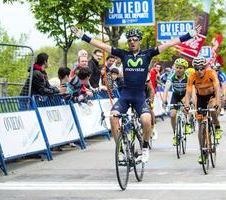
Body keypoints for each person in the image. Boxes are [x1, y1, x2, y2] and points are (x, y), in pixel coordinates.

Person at [71, 25, 200, 163]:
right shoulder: (123, 54)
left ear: (139, 41)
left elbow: (168, 44)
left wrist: (189, 35)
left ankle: (144, 148)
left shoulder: (147, 54)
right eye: (130, 40)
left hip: (139, 97)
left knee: (146, 120)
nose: (132, 42)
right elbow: (102, 45)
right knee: (113, 118)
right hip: (125, 96)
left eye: (135, 39)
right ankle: (120, 150)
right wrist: (82, 35)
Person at [184, 57, 222, 164]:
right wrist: (186, 105)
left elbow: (218, 89)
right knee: (200, 126)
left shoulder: (211, 73)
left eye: (201, 68)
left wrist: (218, 103)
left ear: (205, 67)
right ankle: (203, 153)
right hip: (200, 97)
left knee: (213, 109)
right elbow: (188, 92)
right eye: (196, 69)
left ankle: (217, 126)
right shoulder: (192, 76)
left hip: (212, 95)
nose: (199, 71)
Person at [162, 58, 190, 145]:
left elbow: (190, 89)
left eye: (181, 68)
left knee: (185, 108)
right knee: (173, 115)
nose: (178, 70)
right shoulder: (171, 76)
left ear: (184, 69)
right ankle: (175, 134)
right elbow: (166, 89)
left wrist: (188, 101)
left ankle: (187, 122)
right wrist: (164, 100)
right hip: (176, 95)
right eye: (177, 67)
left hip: (185, 94)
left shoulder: (188, 76)